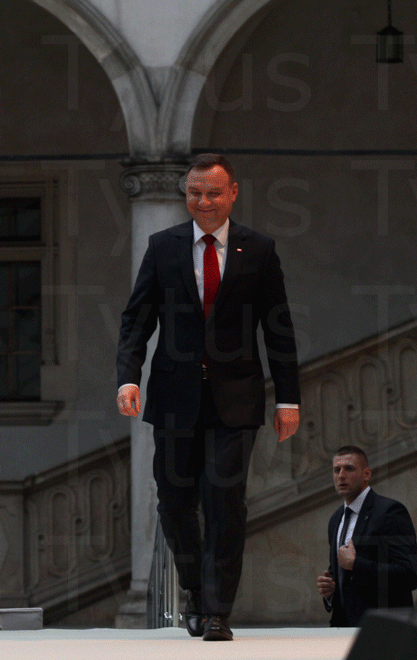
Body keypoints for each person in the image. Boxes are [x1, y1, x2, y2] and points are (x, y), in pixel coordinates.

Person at [116, 153, 301, 641]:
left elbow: (278, 329)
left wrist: (288, 399)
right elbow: (137, 319)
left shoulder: (258, 250)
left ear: (233, 193)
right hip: (173, 397)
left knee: (224, 500)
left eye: (213, 193)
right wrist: (128, 378)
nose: (203, 202)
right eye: (195, 193)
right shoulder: (163, 246)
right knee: (175, 503)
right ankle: (196, 593)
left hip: (235, 399)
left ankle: (218, 611)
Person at [316, 445, 417, 627]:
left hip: (382, 630)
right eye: (337, 470)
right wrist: (331, 591)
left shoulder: (390, 512)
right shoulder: (336, 519)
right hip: (342, 630)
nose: (341, 475)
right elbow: (341, 573)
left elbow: (408, 576)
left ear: (366, 474)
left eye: (349, 469)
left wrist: (356, 564)